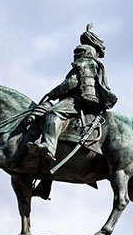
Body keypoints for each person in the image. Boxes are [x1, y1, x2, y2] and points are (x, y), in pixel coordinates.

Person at [27, 24, 117, 163]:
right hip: (87, 99)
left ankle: (48, 147)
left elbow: (72, 83)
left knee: (53, 112)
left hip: (78, 100)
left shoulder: (85, 63)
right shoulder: (95, 65)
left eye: (78, 52)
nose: (75, 55)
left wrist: (52, 94)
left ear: (85, 51)